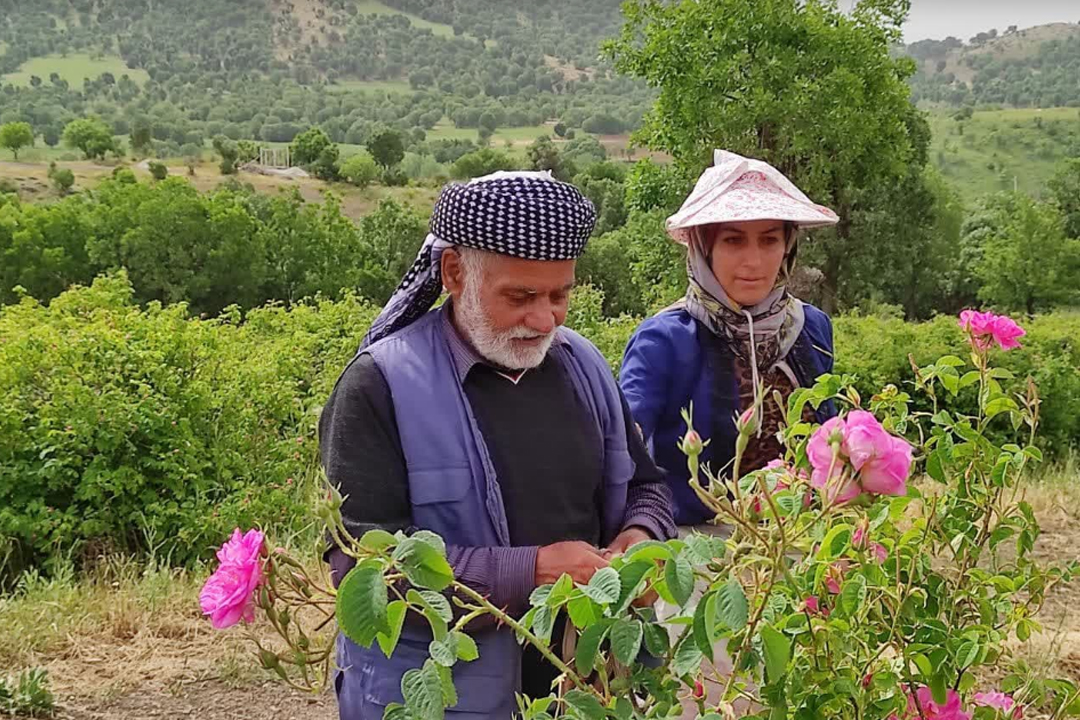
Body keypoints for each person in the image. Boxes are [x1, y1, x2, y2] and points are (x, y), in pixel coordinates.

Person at [319, 171, 676, 719]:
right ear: (454, 273)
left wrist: (639, 540)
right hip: (444, 699)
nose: (544, 318)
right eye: (520, 296)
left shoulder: (584, 366)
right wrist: (533, 571)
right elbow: (363, 571)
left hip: (583, 692)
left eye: (560, 295)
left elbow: (646, 487)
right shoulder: (379, 386)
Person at [619, 150, 839, 715]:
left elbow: (828, 437)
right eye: (734, 241)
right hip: (695, 563)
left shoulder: (810, 330)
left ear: (789, 245)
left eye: (770, 240)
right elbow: (621, 454)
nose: (754, 260)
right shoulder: (665, 340)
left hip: (793, 551)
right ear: (702, 247)